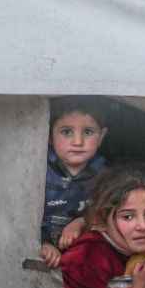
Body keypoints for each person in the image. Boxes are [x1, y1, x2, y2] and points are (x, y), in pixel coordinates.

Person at [38, 97, 109, 269]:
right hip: (43, 248)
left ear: (101, 136)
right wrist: (42, 244)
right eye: (66, 132)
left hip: (83, 255)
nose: (78, 142)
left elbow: (111, 214)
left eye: (88, 132)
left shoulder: (106, 175)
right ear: (49, 135)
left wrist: (82, 221)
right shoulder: (38, 171)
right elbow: (20, 217)